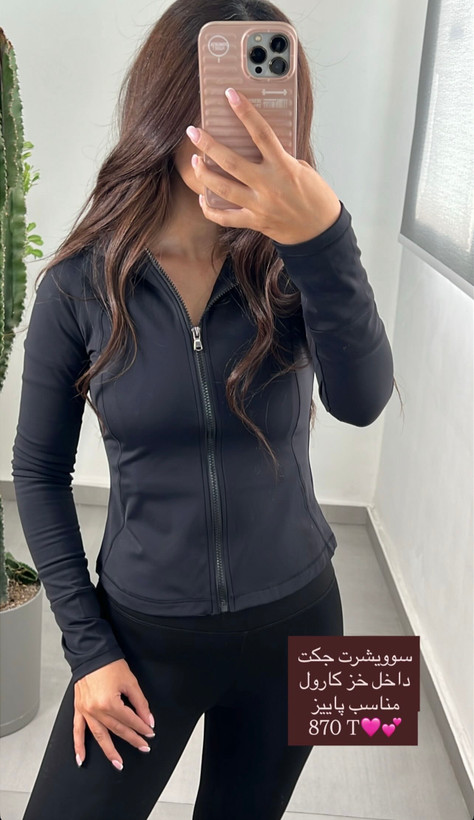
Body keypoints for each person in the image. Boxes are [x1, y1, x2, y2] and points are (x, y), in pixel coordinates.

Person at [11, 1, 397, 818]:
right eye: (219, 101)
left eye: (265, 105)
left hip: (304, 621)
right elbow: (36, 473)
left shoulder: (296, 264)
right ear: (165, 107)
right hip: (144, 636)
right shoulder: (80, 285)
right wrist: (87, 650)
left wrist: (324, 236)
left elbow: (363, 402)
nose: (241, 126)